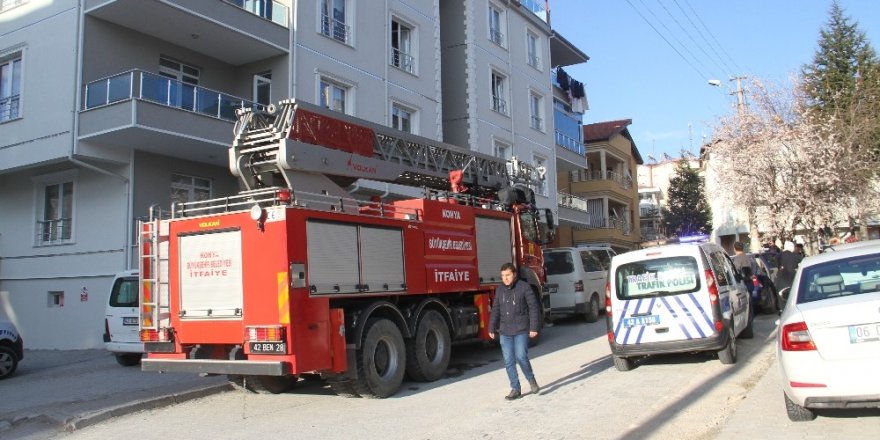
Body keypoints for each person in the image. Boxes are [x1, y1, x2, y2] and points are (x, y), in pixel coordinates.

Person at [488, 262, 540, 400]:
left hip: (521, 329)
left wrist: (534, 327)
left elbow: (533, 308)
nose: (505, 278)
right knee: (508, 361)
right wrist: (491, 327)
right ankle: (515, 388)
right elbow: (496, 310)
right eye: (503, 276)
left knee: (521, 356)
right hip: (505, 331)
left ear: (514, 275)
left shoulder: (524, 287)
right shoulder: (500, 290)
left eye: (508, 275)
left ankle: (531, 379)